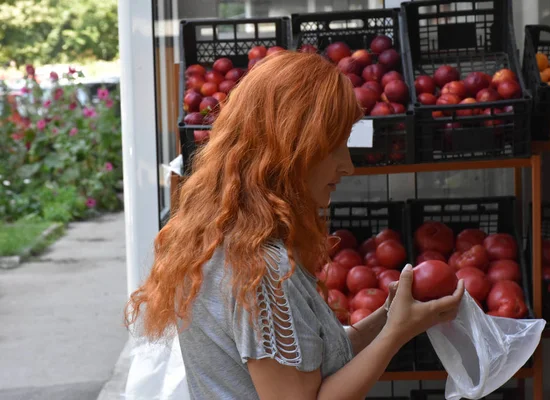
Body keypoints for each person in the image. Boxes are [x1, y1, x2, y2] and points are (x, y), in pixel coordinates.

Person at [125, 51, 464, 400]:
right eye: (334, 147)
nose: (348, 166)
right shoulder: (262, 270)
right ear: (290, 150)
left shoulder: (226, 238)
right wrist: (396, 334)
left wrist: (387, 318)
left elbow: (310, 364)